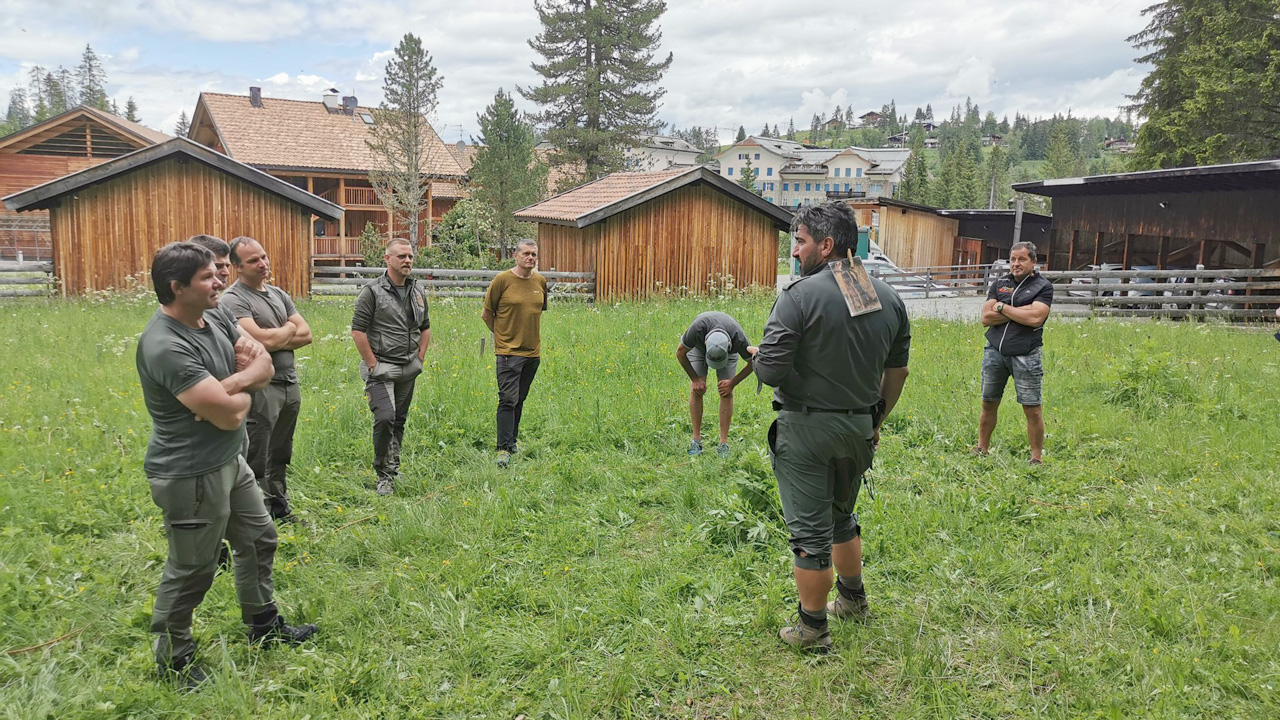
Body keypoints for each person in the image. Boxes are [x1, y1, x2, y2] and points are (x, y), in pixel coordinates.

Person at [137, 243, 317, 689]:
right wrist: (243, 385)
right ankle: (174, 659)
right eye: (207, 277)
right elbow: (233, 415)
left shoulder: (213, 314)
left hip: (230, 461)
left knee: (259, 538)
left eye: (218, 273)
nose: (219, 281)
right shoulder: (165, 345)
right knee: (193, 568)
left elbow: (263, 364)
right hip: (190, 473)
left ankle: (263, 625)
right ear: (177, 287)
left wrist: (230, 383)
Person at [753, 202, 911, 652]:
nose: (795, 251)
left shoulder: (798, 296)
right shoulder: (889, 297)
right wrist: (876, 419)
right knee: (843, 518)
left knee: (809, 536)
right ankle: (853, 601)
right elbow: (897, 371)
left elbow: (771, 371)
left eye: (800, 241)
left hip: (806, 433)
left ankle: (812, 630)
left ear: (826, 245)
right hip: (859, 430)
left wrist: (760, 357)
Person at [221, 237, 312, 521]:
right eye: (253, 261)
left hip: (288, 382)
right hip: (262, 387)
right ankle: (250, 514)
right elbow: (261, 342)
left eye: (264, 256)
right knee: (257, 452)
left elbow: (307, 335)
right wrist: (287, 329)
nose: (263, 264)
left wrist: (275, 336)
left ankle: (278, 506)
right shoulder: (233, 299)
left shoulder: (278, 294)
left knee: (281, 450)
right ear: (237, 266)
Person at [351, 238, 431, 496]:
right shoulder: (372, 292)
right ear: (387, 259)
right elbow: (358, 331)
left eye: (410, 256)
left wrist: (420, 358)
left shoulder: (417, 290)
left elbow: (425, 327)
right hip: (381, 367)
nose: (407, 260)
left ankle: (392, 468)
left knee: (399, 420)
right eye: (401, 256)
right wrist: (373, 364)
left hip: (408, 366)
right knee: (385, 417)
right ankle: (383, 475)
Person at [975, 241, 1053, 464]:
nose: (1016, 264)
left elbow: (1036, 318)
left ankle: (1036, 458)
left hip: (1026, 354)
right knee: (988, 402)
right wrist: (1021, 311)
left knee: (1032, 408)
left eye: (1022, 259)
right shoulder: (1000, 283)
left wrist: (1002, 307)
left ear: (1033, 261)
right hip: (994, 351)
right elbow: (986, 318)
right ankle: (981, 448)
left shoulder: (1043, 287)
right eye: (1012, 259)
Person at [481, 239, 547, 468]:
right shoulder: (502, 280)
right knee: (507, 400)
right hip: (508, 352)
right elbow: (487, 314)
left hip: (532, 353)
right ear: (515, 256)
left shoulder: (540, 282)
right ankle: (503, 449)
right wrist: (502, 338)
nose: (530, 257)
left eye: (534, 254)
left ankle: (512, 442)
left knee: (519, 399)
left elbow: (536, 312)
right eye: (526, 253)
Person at [675, 312, 756, 456]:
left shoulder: (738, 337)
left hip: (728, 352)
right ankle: (696, 440)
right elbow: (680, 353)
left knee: (726, 392)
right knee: (697, 389)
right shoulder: (697, 329)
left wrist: (732, 383)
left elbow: (753, 362)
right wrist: (695, 379)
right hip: (699, 349)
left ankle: (723, 443)